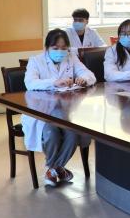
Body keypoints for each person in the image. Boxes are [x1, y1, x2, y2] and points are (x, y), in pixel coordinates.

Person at [23, 29, 96, 187]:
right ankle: (57, 169)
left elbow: (90, 75)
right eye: (55, 48)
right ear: (46, 48)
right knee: (52, 134)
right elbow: (30, 83)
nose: (60, 52)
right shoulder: (36, 61)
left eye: (64, 48)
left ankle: (52, 169)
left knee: (73, 134)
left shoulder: (71, 58)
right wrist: (53, 82)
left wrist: (84, 79)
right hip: (42, 112)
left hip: (65, 111)